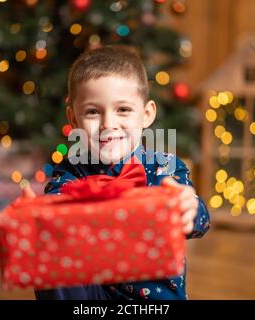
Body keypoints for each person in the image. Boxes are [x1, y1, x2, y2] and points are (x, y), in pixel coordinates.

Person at [31, 45, 210, 300]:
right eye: (93, 112)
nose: (108, 124)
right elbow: (54, 206)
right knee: (50, 243)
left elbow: (201, 219)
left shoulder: (164, 167)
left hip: (153, 302)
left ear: (146, 115)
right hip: (93, 296)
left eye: (123, 110)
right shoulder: (71, 170)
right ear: (73, 119)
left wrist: (188, 207)